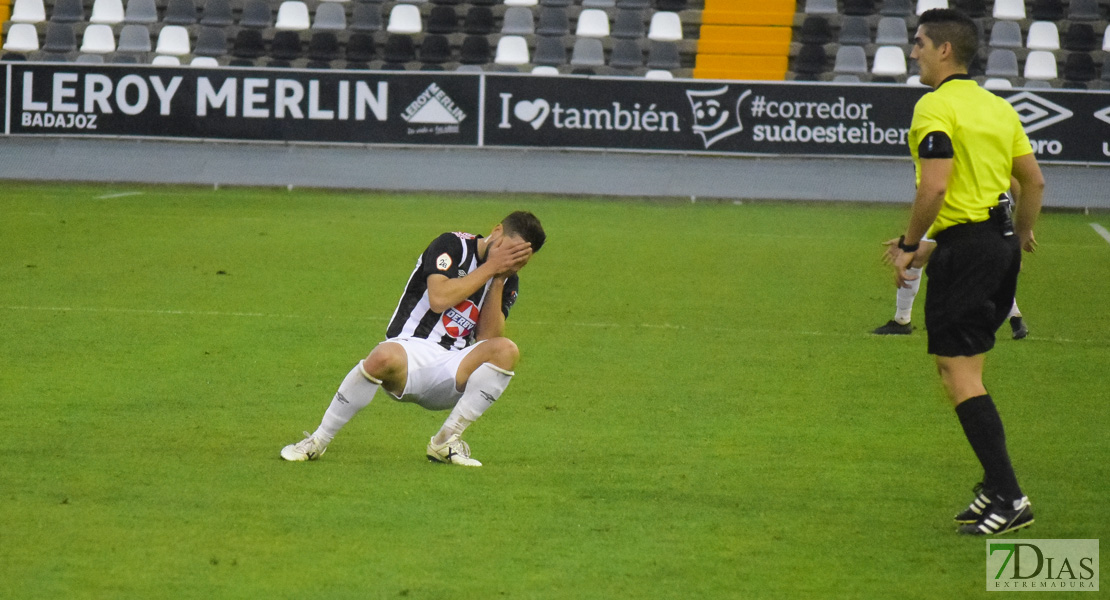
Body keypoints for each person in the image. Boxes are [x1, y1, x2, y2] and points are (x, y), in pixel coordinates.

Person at [886, 8, 1044, 535]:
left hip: (970, 253)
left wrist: (910, 245)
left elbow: (933, 186)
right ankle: (994, 489)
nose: (914, 52)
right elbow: (1032, 183)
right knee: (958, 370)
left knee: (960, 374)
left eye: (920, 43)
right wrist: (1017, 236)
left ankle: (1011, 496)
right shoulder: (998, 107)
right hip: (994, 246)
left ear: (944, 50)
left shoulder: (935, 107)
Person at [281, 211, 546, 467]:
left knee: (506, 350)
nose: (510, 260)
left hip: (453, 367)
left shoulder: (506, 278)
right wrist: (491, 267)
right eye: (508, 250)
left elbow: (487, 339)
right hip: (410, 352)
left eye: (519, 259)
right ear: (496, 230)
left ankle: (446, 441)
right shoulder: (452, 245)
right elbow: (439, 298)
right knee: (381, 356)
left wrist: (499, 277)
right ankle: (317, 441)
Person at [873, 194, 1028, 339]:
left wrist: (907, 241)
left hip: (968, 211)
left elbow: (932, 191)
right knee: (919, 255)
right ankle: (902, 320)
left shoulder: (947, 169)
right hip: (971, 209)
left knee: (968, 262)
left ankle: (1008, 316)